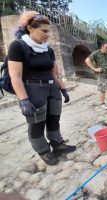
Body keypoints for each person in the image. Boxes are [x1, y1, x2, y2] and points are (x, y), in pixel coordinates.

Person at [8, 11, 76, 165]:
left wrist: (63, 90)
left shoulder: (48, 49)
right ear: (30, 28)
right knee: (37, 124)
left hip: (52, 90)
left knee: (54, 120)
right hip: (34, 91)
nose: (48, 35)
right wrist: (24, 100)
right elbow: (15, 76)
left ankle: (57, 144)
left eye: (49, 31)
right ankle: (43, 151)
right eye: (44, 31)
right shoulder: (18, 46)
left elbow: (55, 74)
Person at [85, 42, 107, 110]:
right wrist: (94, 69)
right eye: (106, 48)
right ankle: (102, 104)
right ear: (102, 47)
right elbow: (87, 60)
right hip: (102, 75)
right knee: (102, 90)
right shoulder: (96, 53)